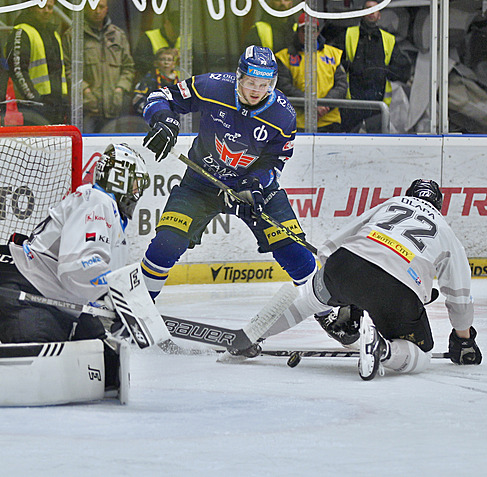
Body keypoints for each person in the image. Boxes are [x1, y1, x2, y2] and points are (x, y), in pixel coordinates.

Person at [139, 45, 317, 310]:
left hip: (254, 190)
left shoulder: (283, 115)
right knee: (166, 243)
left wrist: (256, 183)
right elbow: (159, 96)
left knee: (293, 250)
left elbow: (276, 159)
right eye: (250, 82)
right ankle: (137, 308)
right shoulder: (211, 87)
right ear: (238, 77)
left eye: (264, 84)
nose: (256, 90)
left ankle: (331, 315)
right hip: (202, 183)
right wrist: (163, 119)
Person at [250, 179, 482, 380]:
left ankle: (253, 335)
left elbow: (331, 246)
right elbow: (459, 298)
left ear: (408, 194)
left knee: (309, 300)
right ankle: (383, 350)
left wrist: (346, 296)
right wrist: (464, 341)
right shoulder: (447, 233)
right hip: (398, 288)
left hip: (347, 263)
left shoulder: (392, 204)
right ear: (439, 205)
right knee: (422, 355)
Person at [0, 143, 150, 345]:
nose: (136, 193)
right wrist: (113, 296)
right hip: (27, 296)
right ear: (120, 177)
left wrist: (112, 306)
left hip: (55, 302)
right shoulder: (97, 201)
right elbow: (77, 266)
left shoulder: (107, 212)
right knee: (44, 369)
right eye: (135, 184)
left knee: (107, 355)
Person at [337, 1, 411, 133]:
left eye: (375, 9)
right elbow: (334, 62)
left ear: (380, 15)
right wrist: (351, 67)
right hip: (353, 103)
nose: (371, 12)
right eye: (368, 9)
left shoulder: (388, 39)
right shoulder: (348, 34)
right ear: (362, 12)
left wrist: (383, 71)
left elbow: (402, 69)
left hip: (378, 105)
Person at [64, 0, 134, 133]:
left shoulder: (118, 35)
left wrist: (120, 90)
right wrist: (85, 91)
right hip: (86, 110)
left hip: (114, 108)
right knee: (85, 148)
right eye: (93, 7)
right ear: (85, 8)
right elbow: (69, 69)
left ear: (106, 9)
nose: (97, 11)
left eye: (101, 7)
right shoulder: (74, 35)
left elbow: (128, 67)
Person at [275, 13, 347, 132]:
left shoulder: (333, 54)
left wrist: (325, 105)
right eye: (304, 31)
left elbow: (342, 85)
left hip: (329, 120)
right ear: (298, 32)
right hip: (297, 121)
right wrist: (311, 106)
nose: (309, 34)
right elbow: (284, 87)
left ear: (318, 32)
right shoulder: (284, 57)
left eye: (313, 30)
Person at [6, 0, 68, 125]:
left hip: (57, 103)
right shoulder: (22, 32)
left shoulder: (54, 34)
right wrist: (34, 99)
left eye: (50, 7)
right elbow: (18, 70)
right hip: (35, 106)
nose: (46, 11)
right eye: (42, 7)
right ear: (31, 7)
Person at [133, 7, 180, 81]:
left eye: (179, 32)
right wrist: (162, 58)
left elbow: (198, 65)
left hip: (180, 85)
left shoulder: (185, 40)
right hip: (155, 84)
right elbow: (140, 64)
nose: (176, 34)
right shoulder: (149, 38)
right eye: (174, 30)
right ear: (167, 23)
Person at [132, 47, 179, 116]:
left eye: (169, 60)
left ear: (173, 64)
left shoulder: (178, 81)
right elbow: (137, 100)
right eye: (162, 59)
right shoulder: (149, 80)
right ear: (156, 63)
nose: (166, 63)